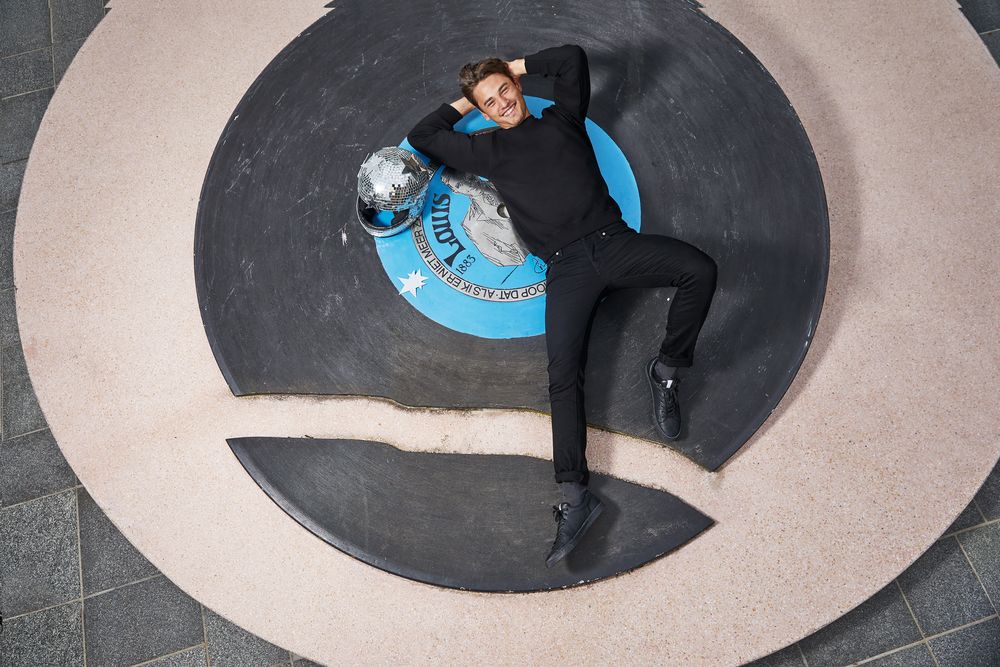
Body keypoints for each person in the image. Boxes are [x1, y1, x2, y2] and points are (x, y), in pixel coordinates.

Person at [407, 44, 717, 567]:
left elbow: (572, 59)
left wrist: (511, 66)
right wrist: (470, 97)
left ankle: (666, 370)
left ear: (518, 87)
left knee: (700, 269)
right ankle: (575, 497)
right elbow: (423, 135)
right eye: (489, 102)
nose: (502, 103)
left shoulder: (563, 118)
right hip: (567, 270)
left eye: (504, 91)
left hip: (615, 244)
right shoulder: (485, 151)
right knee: (562, 377)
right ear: (482, 113)